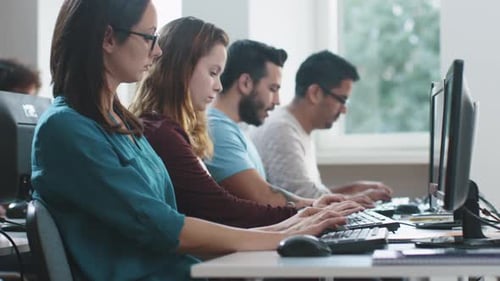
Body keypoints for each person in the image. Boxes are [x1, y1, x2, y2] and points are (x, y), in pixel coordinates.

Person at [31, 2, 350, 280]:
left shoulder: (122, 124)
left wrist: (286, 229)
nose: (156, 51)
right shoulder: (67, 128)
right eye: (149, 37)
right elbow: (162, 227)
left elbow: (169, 221)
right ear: (109, 38)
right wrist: (286, 231)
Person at [130, 16, 362, 229]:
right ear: (183, 68)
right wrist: (307, 215)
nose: (218, 86)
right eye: (213, 72)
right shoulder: (169, 132)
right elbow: (223, 208)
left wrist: (311, 211)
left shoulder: (182, 131)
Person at [205, 40, 386, 208]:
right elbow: (263, 196)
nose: (277, 101)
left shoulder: (235, 131)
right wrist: (332, 204)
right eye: (272, 89)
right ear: (245, 83)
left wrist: (346, 195)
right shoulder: (219, 130)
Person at [251, 50, 393, 202]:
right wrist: (358, 198)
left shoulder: (295, 128)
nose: (344, 109)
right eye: (342, 99)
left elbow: (310, 195)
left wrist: (352, 189)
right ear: (315, 93)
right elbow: (305, 201)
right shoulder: (282, 130)